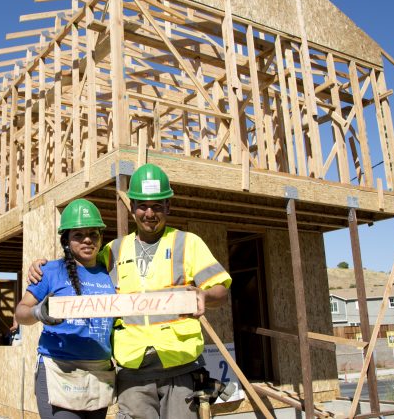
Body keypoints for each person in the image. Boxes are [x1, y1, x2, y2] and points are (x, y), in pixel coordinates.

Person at [28, 164, 232, 419]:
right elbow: (79, 263)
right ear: (132, 207)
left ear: (168, 206)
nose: (149, 213)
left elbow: (221, 290)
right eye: (143, 206)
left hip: (180, 367)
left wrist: (204, 296)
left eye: (157, 206)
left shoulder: (187, 243)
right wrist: (42, 266)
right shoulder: (113, 250)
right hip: (133, 370)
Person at [15, 198, 116, 419]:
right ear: (66, 240)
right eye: (78, 235)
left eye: (93, 233)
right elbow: (21, 312)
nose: (87, 240)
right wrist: (38, 312)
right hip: (59, 370)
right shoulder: (50, 272)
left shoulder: (109, 271)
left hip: (98, 372)